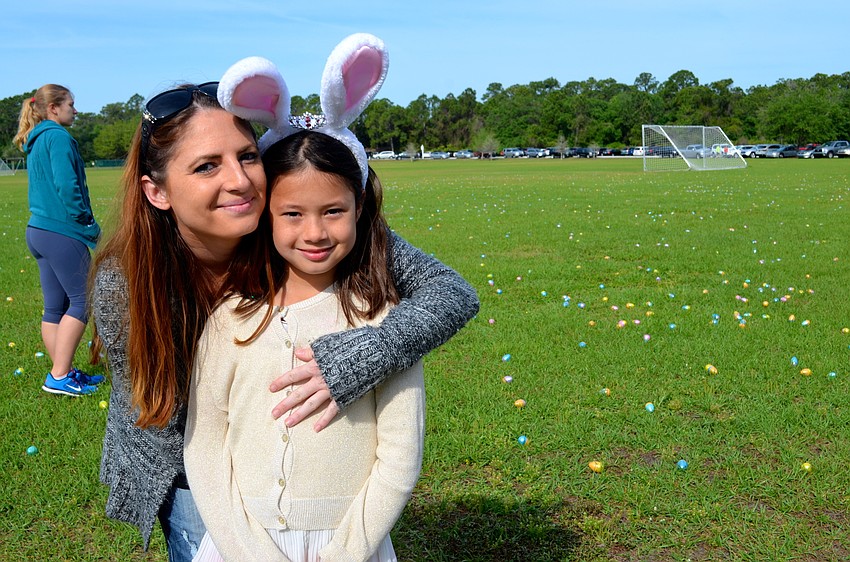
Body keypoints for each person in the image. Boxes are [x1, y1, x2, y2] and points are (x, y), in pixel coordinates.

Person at [91, 81, 478, 560]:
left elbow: (452, 292)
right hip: (187, 469)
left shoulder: (294, 223)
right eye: (207, 166)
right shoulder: (127, 281)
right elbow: (171, 419)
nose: (239, 180)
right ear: (158, 190)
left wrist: (365, 354)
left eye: (247, 156)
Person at [187, 126, 436, 561]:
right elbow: (205, 445)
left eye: (333, 211)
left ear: (360, 208)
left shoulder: (384, 323)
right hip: (241, 544)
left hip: (349, 547)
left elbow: (400, 457)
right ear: (266, 214)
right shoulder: (230, 317)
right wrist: (250, 554)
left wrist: (344, 554)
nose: (315, 232)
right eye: (293, 214)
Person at [14, 84, 102, 397]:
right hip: (61, 232)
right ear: (54, 108)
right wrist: (89, 224)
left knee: (55, 307)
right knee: (82, 301)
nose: (75, 110)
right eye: (71, 105)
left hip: (37, 231)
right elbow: (68, 188)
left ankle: (61, 371)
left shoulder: (35, 140)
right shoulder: (59, 137)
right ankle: (59, 376)